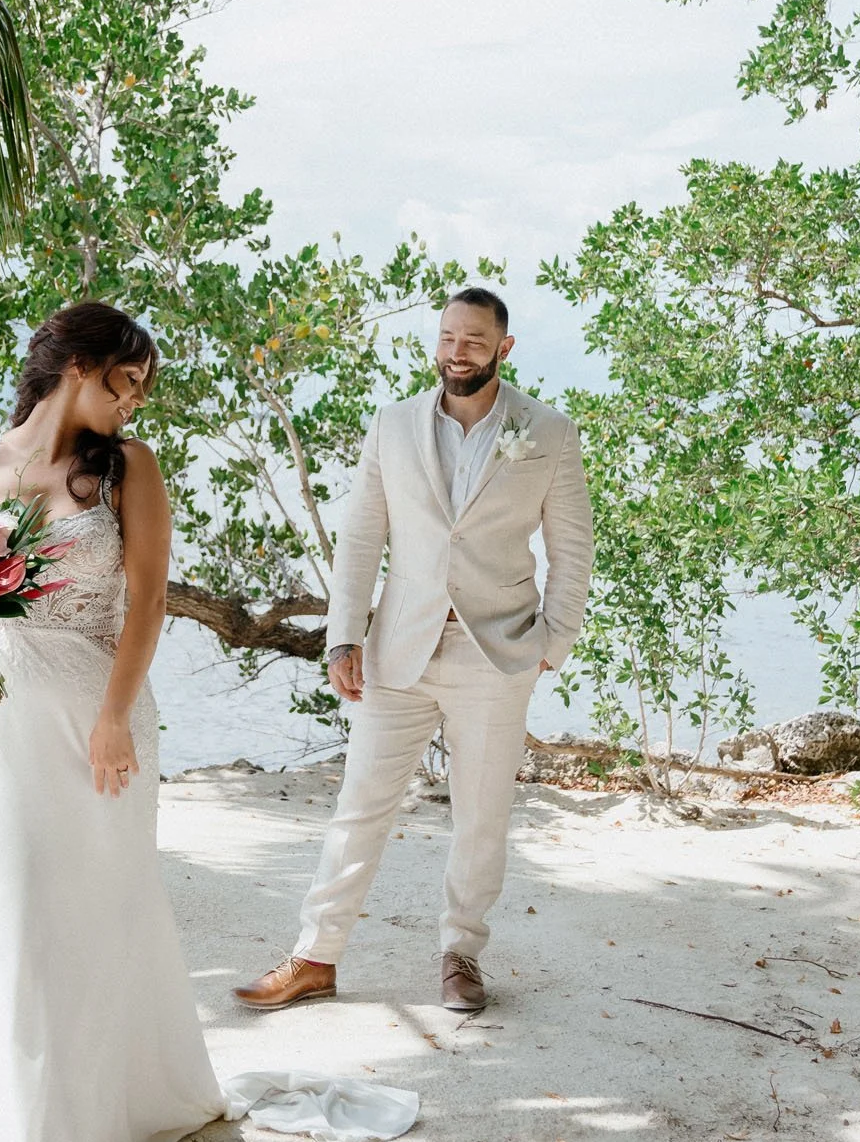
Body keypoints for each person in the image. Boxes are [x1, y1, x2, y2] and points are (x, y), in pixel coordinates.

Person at [0, 301, 224, 1142]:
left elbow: (148, 601)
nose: (133, 403)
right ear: (75, 365)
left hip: (101, 717)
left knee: (110, 909)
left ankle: (130, 1106)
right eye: (125, 380)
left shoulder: (129, 470)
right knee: (23, 917)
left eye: (143, 388)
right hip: (6, 718)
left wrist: (112, 717)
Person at [232, 286, 594, 1016]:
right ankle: (314, 955)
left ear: (504, 347)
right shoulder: (392, 425)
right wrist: (343, 635)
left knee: (481, 815)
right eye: (448, 337)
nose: (457, 351)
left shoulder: (547, 431)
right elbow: (362, 537)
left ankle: (461, 954)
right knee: (360, 803)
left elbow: (572, 546)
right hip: (399, 649)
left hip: (497, 654)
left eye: (474, 340)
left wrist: (553, 641)